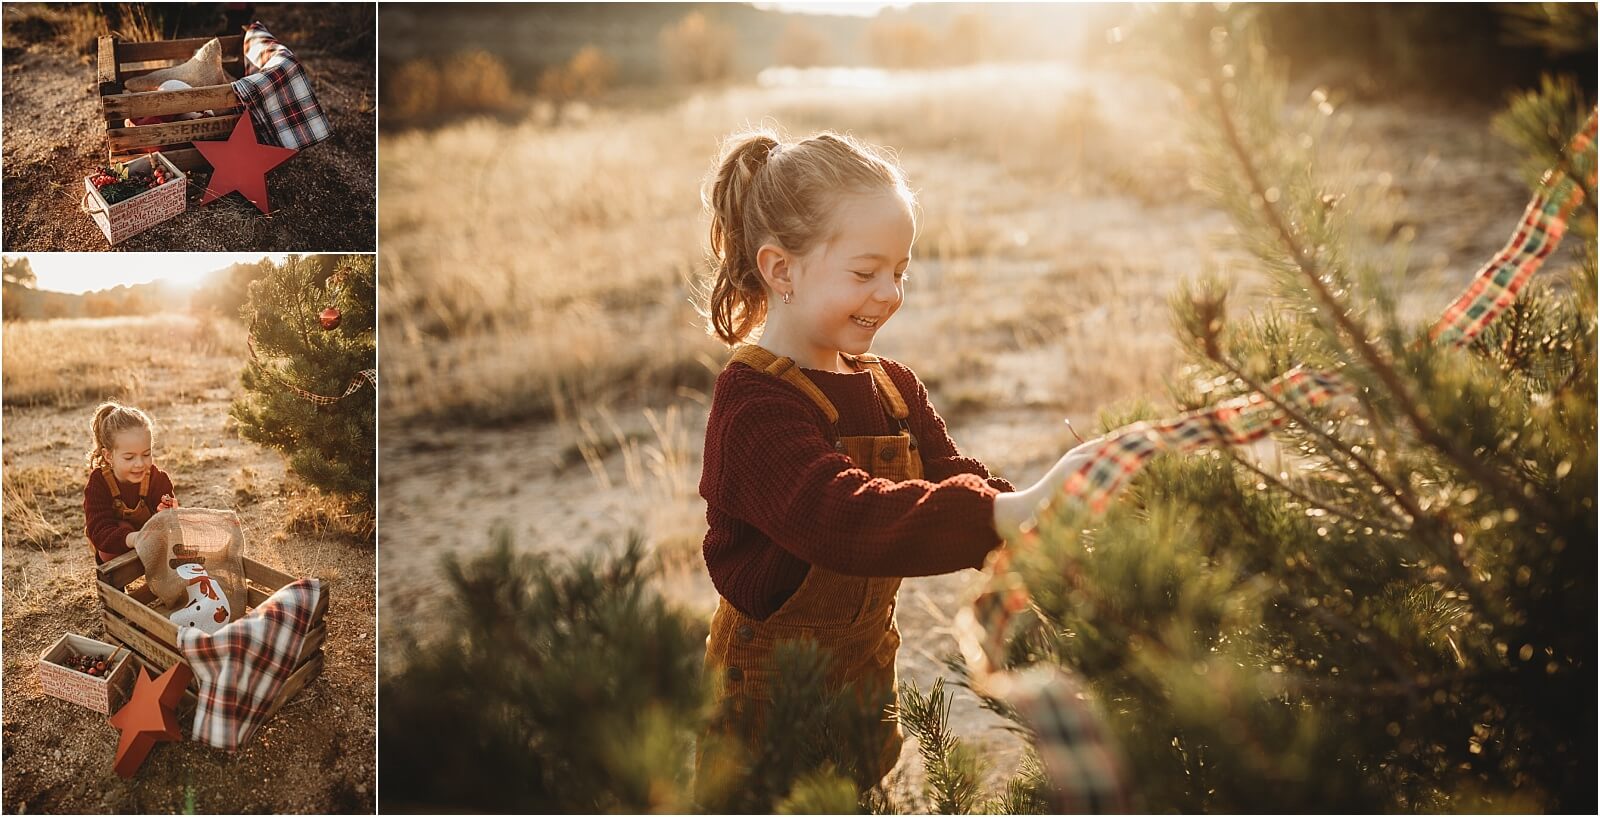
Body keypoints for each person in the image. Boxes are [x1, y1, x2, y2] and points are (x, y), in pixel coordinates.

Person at [693, 128, 1101, 795]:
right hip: (766, 704)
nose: (890, 292)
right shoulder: (754, 404)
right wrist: (997, 513)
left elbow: (951, 475)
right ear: (781, 269)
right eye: (865, 271)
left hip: (862, 675)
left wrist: (1036, 516)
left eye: (900, 271)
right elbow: (838, 515)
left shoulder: (892, 385)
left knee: (858, 791)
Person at [83, 402, 178, 564]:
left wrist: (166, 512)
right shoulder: (99, 483)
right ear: (109, 456)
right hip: (118, 544)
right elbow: (99, 531)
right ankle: (116, 582)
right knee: (108, 551)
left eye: (146, 454)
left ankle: (161, 580)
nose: (140, 464)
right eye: (129, 457)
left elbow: (168, 526)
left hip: (150, 540)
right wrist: (133, 538)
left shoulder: (157, 478)